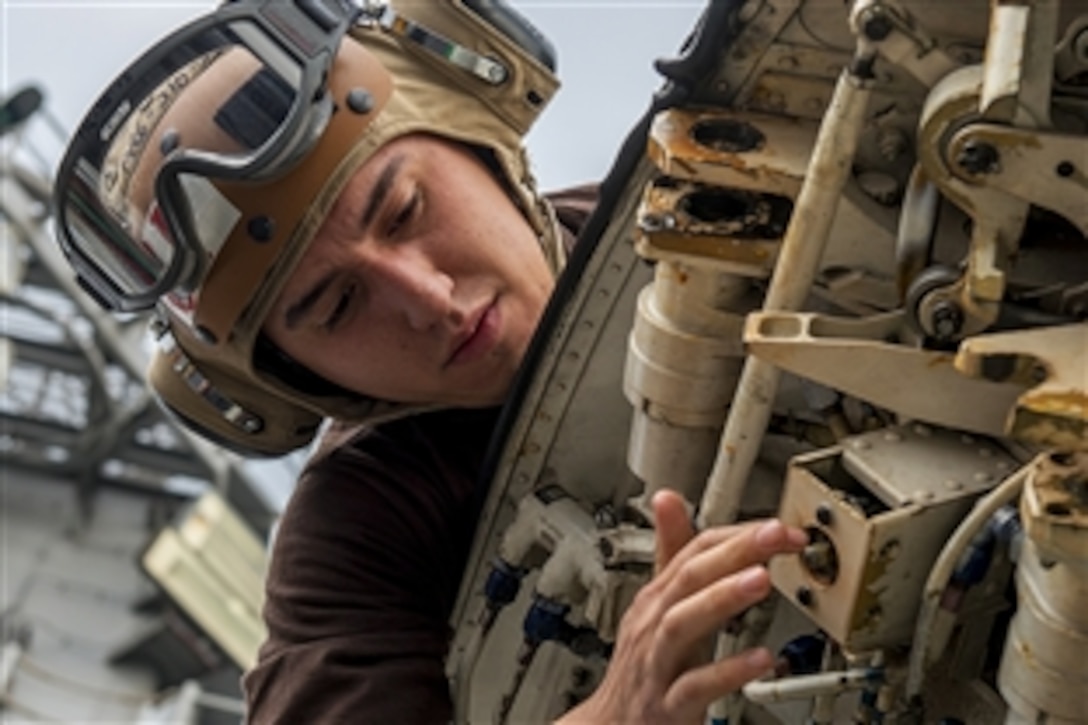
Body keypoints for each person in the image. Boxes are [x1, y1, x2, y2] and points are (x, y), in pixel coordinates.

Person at [53, 1, 807, 722]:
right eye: (337, 305)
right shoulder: (361, 526)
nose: (430, 299)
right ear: (293, 379)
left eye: (407, 209)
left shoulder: (736, 189)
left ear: (473, 127)